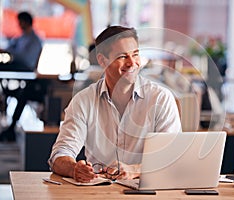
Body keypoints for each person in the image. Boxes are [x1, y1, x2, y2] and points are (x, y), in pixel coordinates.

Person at [48, 25, 182, 182]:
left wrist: (134, 170)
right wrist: (74, 169)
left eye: (135, 54)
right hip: (99, 192)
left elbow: (172, 158)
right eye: (122, 57)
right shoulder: (83, 101)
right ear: (102, 61)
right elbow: (59, 154)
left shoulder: (161, 98)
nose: (132, 63)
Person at [0, 11, 44, 142]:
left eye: (20, 22)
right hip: (18, 70)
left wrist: (9, 51)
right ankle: (9, 127)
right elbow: (11, 47)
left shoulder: (35, 40)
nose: (18, 25)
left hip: (26, 71)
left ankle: (11, 128)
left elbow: (26, 59)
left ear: (24, 22)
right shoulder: (21, 37)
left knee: (22, 95)